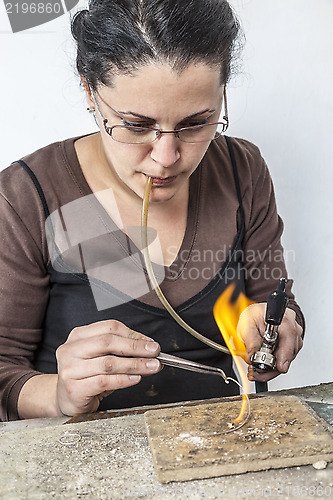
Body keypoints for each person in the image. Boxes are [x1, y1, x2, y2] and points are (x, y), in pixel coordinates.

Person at [0, 0, 304, 422]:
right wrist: (59, 395)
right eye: (137, 126)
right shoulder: (27, 197)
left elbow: (274, 302)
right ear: (91, 92)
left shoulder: (241, 170)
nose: (165, 157)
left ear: (222, 95)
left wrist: (280, 329)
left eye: (196, 123)